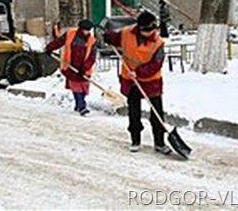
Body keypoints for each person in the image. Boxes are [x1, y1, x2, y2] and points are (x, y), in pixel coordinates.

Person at [103, 11, 170, 154]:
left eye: (151, 30)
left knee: (157, 113)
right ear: (139, 27)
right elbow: (115, 39)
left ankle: (160, 142)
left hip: (152, 81)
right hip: (131, 81)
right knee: (134, 112)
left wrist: (139, 72)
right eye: (145, 30)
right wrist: (108, 37)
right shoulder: (127, 33)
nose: (149, 33)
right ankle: (135, 140)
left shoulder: (158, 43)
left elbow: (156, 64)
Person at [45, 19, 96, 116]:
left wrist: (84, 68)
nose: (86, 32)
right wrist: (49, 48)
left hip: (83, 69)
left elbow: (92, 57)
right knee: (76, 87)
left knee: (84, 88)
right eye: (84, 30)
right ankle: (82, 107)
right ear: (80, 29)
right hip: (70, 66)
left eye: (88, 30)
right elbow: (58, 42)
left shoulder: (92, 41)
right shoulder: (70, 34)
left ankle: (78, 104)